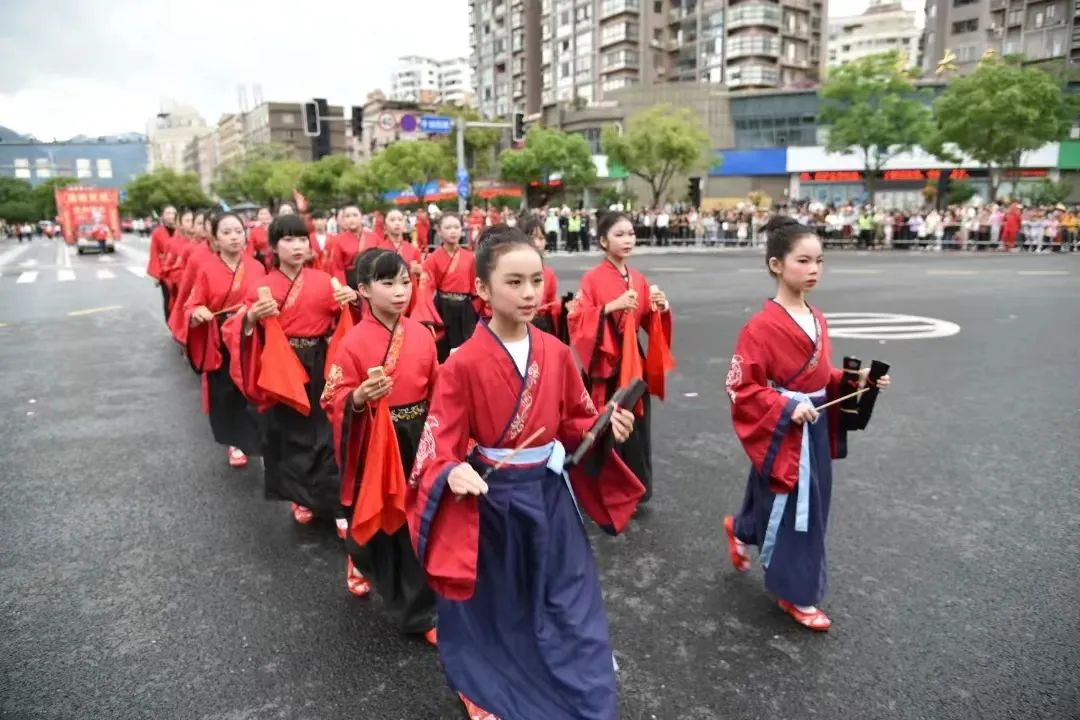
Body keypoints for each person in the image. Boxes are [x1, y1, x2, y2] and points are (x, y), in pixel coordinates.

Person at [408, 224, 645, 720]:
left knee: (568, 597)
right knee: (499, 604)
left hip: (549, 496)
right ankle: (487, 686)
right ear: (483, 290)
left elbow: (574, 420)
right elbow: (438, 445)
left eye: (536, 280)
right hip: (494, 502)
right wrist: (451, 472)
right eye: (514, 282)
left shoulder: (556, 352)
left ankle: (579, 682)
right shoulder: (463, 364)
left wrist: (604, 426)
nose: (529, 293)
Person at [722, 216, 890, 632]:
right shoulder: (759, 327)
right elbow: (741, 387)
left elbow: (820, 378)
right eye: (803, 260)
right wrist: (783, 406)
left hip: (810, 425)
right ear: (776, 265)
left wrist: (860, 379)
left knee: (778, 492)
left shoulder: (817, 316)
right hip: (787, 422)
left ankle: (742, 528)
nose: (814, 269)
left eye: (819, 260)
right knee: (801, 510)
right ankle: (796, 592)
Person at [321, 248, 439, 641]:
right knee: (388, 522)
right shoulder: (352, 342)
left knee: (419, 521)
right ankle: (367, 562)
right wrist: (358, 398)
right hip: (377, 438)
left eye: (405, 282)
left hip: (417, 434)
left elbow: (437, 388)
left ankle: (421, 605)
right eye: (388, 283)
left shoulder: (422, 334)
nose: (400, 291)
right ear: (364, 291)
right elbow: (333, 398)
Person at [224, 214, 358, 528]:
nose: (297, 246)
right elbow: (234, 330)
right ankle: (301, 497)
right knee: (290, 433)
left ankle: (335, 502)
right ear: (273, 246)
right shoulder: (262, 287)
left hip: (321, 361)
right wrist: (251, 317)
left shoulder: (325, 281)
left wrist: (351, 303)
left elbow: (347, 326)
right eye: (288, 239)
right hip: (283, 365)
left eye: (301, 239)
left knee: (327, 431)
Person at [568, 212, 675, 504]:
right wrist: (610, 307)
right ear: (603, 241)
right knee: (607, 424)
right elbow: (577, 318)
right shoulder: (592, 279)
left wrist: (660, 308)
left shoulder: (638, 279)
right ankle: (604, 491)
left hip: (632, 362)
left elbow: (647, 322)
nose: (628, 240)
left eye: (630, 233)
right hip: (606, 362)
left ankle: (636, 487)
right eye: (619, 234)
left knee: (636, 425)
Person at [182, 212, 267, 469]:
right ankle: (235, 442)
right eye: (226, 232)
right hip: (220, 339)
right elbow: (192, 305)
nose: (233, 237)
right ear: (215, 240)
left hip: (249, 335)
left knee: (253, 388)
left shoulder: (257, 267)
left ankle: (256, 438)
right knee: (226, 391)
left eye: (238, 231)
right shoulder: (207, 270)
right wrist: (198, 313)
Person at [421, 213, 478, 362]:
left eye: (456, 227)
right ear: (439, 231)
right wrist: (427, 316)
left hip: (465, 309)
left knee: (466, 350)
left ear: (462, 230)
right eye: (448, 227)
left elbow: (476, 288)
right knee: (443, 351)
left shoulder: (470, 257)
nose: (453, 231)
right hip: (443, 309)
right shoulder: (432, 259)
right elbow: (426, 289)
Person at [522, 218, 561, 337]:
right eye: (532, 237)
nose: (537, 243)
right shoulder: (513, 270)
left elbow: (553, 304)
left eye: (541, 238)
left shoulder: (549, 273)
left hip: (542, 327)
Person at [326, 205, 372, 288]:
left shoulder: (373, 237)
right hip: (351, 281)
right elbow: (337, 267)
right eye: (347, 216)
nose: (351, 219)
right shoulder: (338, 240)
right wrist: (342, 287)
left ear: (362, 217)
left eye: (355, 215)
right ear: (343, 220)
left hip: (372, 278)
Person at [147, 206, 178, 322]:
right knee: (169, 298)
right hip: (166, 272)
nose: (171, 216)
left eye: (173, 213)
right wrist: (156, 275)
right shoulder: (157, 233)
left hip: (181, 270)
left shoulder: (182, 231)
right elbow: (154, 253)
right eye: (168, 213)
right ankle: (170, 322)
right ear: (163, 216)